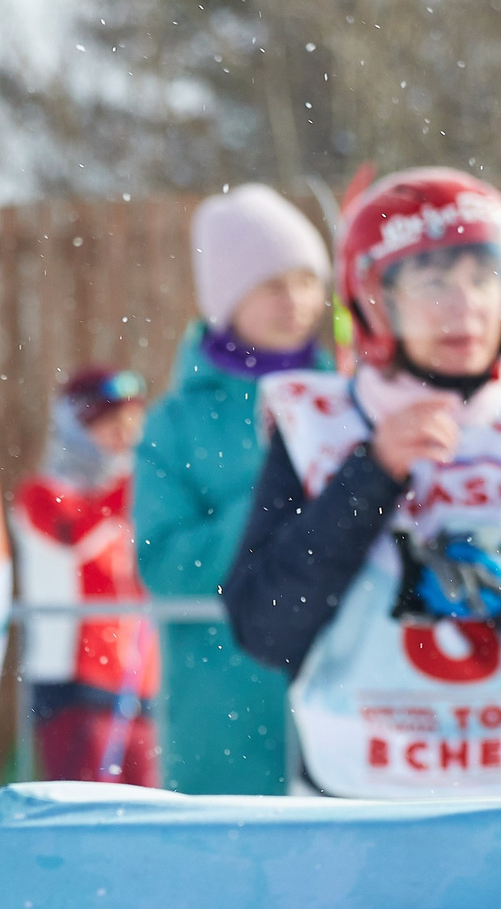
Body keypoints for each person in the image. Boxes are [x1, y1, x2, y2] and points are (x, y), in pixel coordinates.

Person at [225, 169, 501, 799]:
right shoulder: (315, 426)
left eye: (481, 276)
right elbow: (263, 626)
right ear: (377, 301)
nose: (464, 305)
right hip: (371, 812)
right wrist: (371, 474)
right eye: (433, 281)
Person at [135, 185, 334, 794]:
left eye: (307, 281)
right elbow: (164, 565)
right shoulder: (179, 421)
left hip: (341, 711)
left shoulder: (352, 400)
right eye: (274, 284)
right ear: (228, 296)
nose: (296, 301)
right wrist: (275, 504)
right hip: (222, 719)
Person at [14, 365, 159, 784]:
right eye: (111, 425)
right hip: (73, 684)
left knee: (144, 818)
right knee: (84, 816)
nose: (126, 437)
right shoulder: (41, 494)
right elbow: (75, 534)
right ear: (77, 428)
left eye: (133, 424)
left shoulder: (131, 494)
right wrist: (139, 483)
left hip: (137, 682)